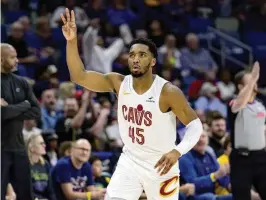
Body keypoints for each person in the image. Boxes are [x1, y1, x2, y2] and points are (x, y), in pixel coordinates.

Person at [60, 8, 203, 200]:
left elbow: (195, 125)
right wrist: (71, 41)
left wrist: (177, 151)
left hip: (161, 164)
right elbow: (79, 76)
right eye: (132, 54)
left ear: (153, 61)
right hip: (131, 160)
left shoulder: (167, 91)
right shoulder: (119, 82)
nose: (135, 59)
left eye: (142, 55)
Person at [1, 43, 41, 200]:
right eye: (12, 57)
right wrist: (24, 106)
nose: (17, 60)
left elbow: (36, 111)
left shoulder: (21, 82)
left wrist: (9, 109)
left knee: (26, 194)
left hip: (18, 147)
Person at [228, 62, 266, 200]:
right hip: (242, 160)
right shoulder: (235, 103)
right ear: (240, 86)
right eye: (250, 81)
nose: (254, 83)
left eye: (255, 81)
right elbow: (239, 104)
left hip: (261, 158)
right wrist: (253, 81)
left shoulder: (260, 106)